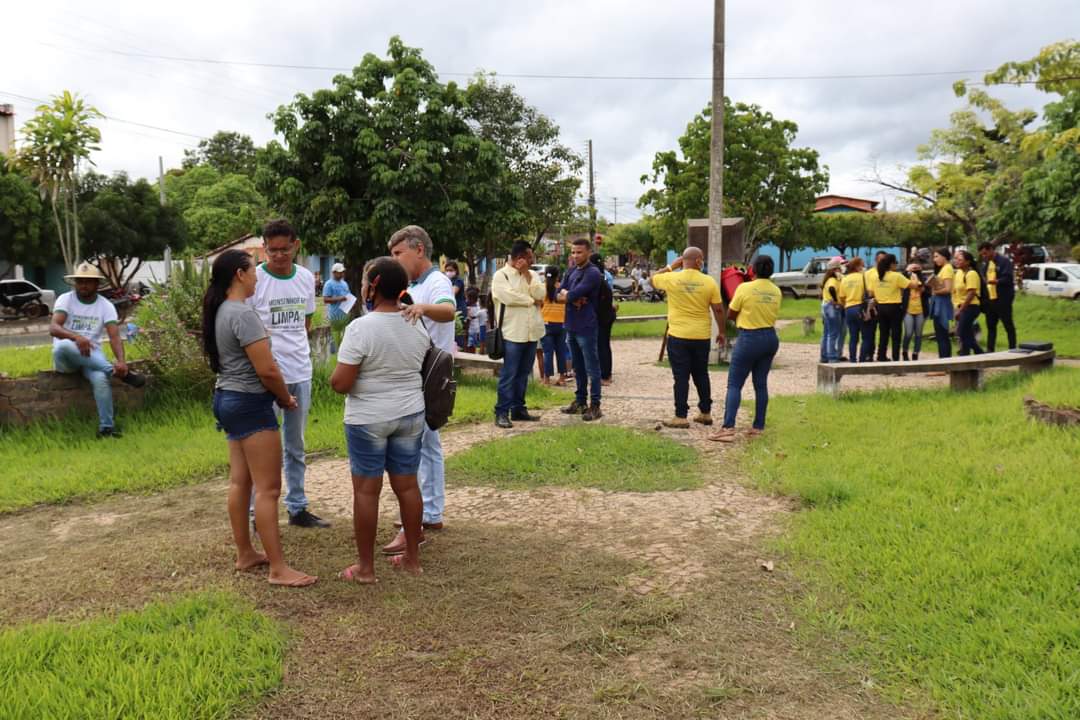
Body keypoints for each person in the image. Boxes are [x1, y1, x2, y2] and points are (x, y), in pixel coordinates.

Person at [202, 249, 317, 588]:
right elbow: (266, 369)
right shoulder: (243, 314)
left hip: (226, 399)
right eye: (253, 271)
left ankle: (245, 553)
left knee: (241, 482)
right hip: (250, 403)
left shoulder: (221, 309)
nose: (257, 277)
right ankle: (278, 568)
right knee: (268, 489)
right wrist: (284, 397)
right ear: (240, 275)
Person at [330, 258, 429, 581]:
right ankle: (412, 559)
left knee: (366, 492)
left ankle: (365, 568)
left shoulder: (361, 328)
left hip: (368, 418)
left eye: (363, 282)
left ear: (372, 286)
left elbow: (341, 383)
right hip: (410, 413)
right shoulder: (415, 322)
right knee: (408, 487)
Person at [249, 219, 329, 529]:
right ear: (264, 248)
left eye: (285, 249)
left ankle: (297, 507)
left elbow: (305, 323)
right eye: (273, 251)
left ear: (296, 246)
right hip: (265, 375)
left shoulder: (306, 278)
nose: (279, 256)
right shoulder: (255, 279)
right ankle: (256, 513)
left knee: (295, 444)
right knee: (262, 447)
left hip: (300, 371)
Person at [385, 225, 456, 554]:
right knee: (425, 444)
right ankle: (429, 511)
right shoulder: (411, 285)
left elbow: (448, 311)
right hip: (414, 371)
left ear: (419, 250)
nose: (394, 259)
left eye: (398, 253)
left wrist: (422, 308)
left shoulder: (436, 281)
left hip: (429, 374)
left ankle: (423, 515)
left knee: (420, 445)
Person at [49, 262, 145, 437]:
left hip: (92, 357)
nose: (83, 285)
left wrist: (121, 361)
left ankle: (106, 429)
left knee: (100, 379)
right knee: (62, 346)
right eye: (80, 281)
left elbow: (114, 336)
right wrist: (76, 337)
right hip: (67, 358)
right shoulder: (65, 299)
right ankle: (118, 373)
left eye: (88, 281)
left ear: (97, 284)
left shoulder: (105, 305)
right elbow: (54, 328)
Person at [709, 255, 781, 443]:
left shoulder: (744, 288)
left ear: (753, 269)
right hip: (770, 338)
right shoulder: (776, 291)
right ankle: (758, 427)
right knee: (761, 384)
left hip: (749, 337)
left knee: (735, 384)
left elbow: (731, 313)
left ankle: (728, 428)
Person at [651, 247, 724, 428]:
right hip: (701, 336)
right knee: (701, 374)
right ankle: (705, 413)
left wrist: (671, 266)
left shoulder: (672, 278)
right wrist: (722, 332)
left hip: (678, 335)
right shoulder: (709, 281)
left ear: (682, 261)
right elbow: (718, 309)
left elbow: (653, 279)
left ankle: (680, 416)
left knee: (681, 376)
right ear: (699, 261)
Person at [491, 241, 545, 429]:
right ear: (519, 258)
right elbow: (507, 297)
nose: (532, 261)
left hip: (532, 332)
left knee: (523, 373)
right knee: (509, 374)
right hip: (512, 333)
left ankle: (519, 409)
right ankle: (502, 411)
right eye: (529, 258)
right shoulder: (501, 276)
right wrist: (531, 300)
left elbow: (541, 294)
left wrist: (527, 275)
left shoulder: (533, 275)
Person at [559, 237, 604, 421]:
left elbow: (573, 293)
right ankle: (580, 401)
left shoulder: (593, 272)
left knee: (592, 367)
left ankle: (595, 405)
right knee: (577, 366)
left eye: (579, 252)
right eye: (573, 252)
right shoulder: (571, 271)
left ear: (588, 253)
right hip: (571, 324)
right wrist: (568, 296)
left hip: (586, 326)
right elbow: (557, 293)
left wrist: (569, 296)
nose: (575, 255)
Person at [871, 253, 911, 362]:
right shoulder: (896, 276)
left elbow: (871, 292)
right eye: (895, 263)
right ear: (891, 264)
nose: (896, 266)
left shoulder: (875, 276)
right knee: (896, 334)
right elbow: (911, 285)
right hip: (894, 307)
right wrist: (914, 277)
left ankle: (881, 356)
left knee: (883, 333)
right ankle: (895, 357)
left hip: (881, 307)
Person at [977, 242, 1017, 351]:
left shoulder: (1004, 261)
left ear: (991, 249)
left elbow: (1008, 278)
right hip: (990, 299)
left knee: (1008, 325)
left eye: (985, 253)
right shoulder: (986, 264)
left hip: (1003, 298)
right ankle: (990, 350)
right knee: (991, 326)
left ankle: (1012, 348)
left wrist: (996, 281)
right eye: (982, 254)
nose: (984, 256)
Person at [591, 253, 617, 386]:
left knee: (601, 345)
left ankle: (605, 375)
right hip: (608, 313)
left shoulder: (595, 278)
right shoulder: (606, 276)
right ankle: (606, 373)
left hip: (601, 315)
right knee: (604, 344)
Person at [540, 266, 568, 386]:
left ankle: (546, 379)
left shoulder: (542, 288)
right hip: (561, 323)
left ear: (545, 275)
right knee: (561, 351)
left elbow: (539, 304)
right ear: (557, 276)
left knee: (547, 352)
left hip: (546, 323)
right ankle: (562, 378)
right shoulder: (562, 289)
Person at [953, 249, 984, 356]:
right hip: (961, 306)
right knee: (967, 333)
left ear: (967, 262)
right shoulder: (958, 273)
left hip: (970, 307)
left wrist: (961, 310)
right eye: (956, 259)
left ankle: (979, 353)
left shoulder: (971, 274)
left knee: (961, 332)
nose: (957, 261)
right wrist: (956, 307)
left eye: (960, 260)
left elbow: (971, 293)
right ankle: (966, 354)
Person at [838, 258, 869, 363]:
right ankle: (862, 359)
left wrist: (846, 304)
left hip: (849, 309)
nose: (863, 267)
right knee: (865, 336)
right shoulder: (863, 277)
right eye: (862, 265)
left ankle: (852, 360)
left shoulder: (845, 279)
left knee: (853, 336)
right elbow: (870, 292)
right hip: (861, 308)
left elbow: (842, 297)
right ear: (857, 267)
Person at [928, 249, 955, 358]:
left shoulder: (947, 269)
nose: (934, 259)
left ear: (944, 256)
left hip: (942, 305)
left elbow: (948, 289)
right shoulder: (943, 269)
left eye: (936, 256)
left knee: (942, 335)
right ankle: (943, 360)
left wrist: (935, 292)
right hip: (938, 303)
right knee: (940, 335)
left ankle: (945, 361)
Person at [322, 262, 351, 354]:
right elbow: (325, 299)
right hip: (334, 315)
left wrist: (351, 301)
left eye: (342, 272)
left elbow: (348, 295)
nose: (342, 274)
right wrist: (340, 298)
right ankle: (335, 354)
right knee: (335, 337)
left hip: (344, 314)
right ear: (334, 272)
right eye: (339, 272)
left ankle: (343, 353)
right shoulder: (329, 284)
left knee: (345, 337)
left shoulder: (344, 283)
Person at [819, 260, 843, 363]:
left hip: (826, 306)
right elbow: (832, 289)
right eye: (839, 268)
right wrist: (836, 300)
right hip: (832, 307)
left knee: (826, 333)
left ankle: (824, 356)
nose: (840, 270)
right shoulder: (833, 280)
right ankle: (832, 357)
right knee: (833, 333)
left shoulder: (827, 279)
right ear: (835, 269)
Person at [901, 263, 927, 361]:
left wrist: (922, 287)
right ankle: (905, 351)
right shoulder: (905, 277)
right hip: (908, 310)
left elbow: (926, 290)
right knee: (908, 333)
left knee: (918, 334)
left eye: (916, 267)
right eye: (912, 267)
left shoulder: (922, 278)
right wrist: (907, 271)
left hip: (920, 310)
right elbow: (901, 279)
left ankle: (915, 353)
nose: (914, 269)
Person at [445, 261, 468, 349]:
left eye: (451, 270)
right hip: (452, 308)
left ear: (456, 271)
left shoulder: (458, 281)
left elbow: (453, 292)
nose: (448, 272)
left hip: (459, 309)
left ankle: (460, 349)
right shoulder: (447, 281)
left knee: (458, 331)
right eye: (447, 270)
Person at [465, 287, 488, 353]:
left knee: (471, 347)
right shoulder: (479, 306)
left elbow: (469, 320)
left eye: (467, 298)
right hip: (478, 330)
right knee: (476, 346)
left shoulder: (468, 308)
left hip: (471, 331)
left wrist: (466, 330)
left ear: (470, 298)